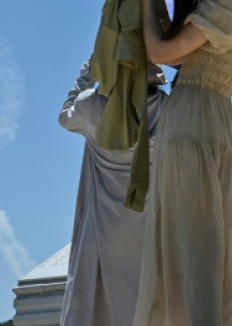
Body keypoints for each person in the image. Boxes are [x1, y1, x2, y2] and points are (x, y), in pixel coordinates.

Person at [116, 0, 232, 326]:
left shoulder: (227, 2)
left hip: (196, 120)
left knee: (198, 243)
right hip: (198, 119)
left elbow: (162, 52)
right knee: (192, 240)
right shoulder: (216, 5)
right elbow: (173, 50)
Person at [58, 58, 168, 326]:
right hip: (152, 226)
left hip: (104, 228)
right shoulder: (167, 108)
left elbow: (64, 117)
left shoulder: (92, 106)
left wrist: (85, 76)